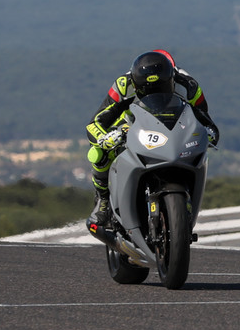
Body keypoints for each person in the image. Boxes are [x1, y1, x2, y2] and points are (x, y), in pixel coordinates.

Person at [86, 50, 218, 232]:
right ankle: (102, 199)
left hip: (173, 125)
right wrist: (104, 138)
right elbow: (95, 122)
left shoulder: (189, 85)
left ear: (172, 77)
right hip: (131, 123)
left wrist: (209, 130)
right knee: (99, 153)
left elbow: (202, 115)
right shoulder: (123, 85)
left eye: (161, 87)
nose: (154, 92)